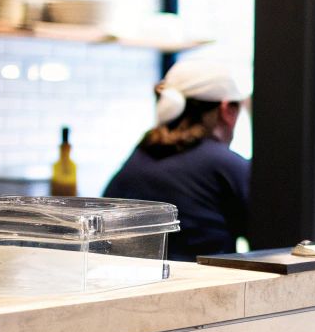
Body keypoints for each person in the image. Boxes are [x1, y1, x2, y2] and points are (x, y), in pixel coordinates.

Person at [104, 58, 250, 261]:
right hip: (203, 289)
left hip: (129, 287)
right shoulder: (225, 164)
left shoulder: (141, 154)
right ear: (227, 111)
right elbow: (274, 237)